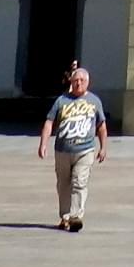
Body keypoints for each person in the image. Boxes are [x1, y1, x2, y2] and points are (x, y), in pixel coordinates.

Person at [39, 64, 109, 232]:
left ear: (88, 82)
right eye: (76, 80)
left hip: (85, 150)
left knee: (80, 182)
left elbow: (101, 125)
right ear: (71, 81)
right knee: (63, 184)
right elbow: (49, 122)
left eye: (82, 80)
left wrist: (103, 147)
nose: (78, 83)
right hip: (63, 150)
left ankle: (76, 216)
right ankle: (65, 216)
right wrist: (43, 143)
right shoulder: (62, 100)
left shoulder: (94, 101)